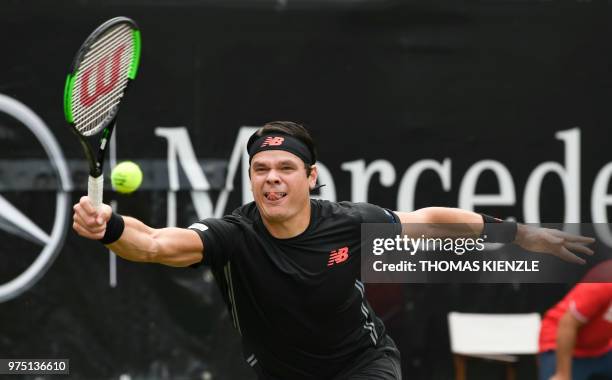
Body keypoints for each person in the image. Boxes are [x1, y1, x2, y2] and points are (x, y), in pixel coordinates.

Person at [73, 121, 595, 379]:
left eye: (285, 169)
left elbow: (433, 220)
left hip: (362, 364)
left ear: (310, 176)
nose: (272, 179)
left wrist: (520, 234)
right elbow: (156, 245)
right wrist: (112, 225)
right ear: (251, 176)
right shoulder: (232, 235)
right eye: (261, 169)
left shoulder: (348, 222)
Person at [539, 260, 612, 380]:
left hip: (601, 347)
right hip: (560, 341)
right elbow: (567, 323)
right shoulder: (604, 280)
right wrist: (563, 374)